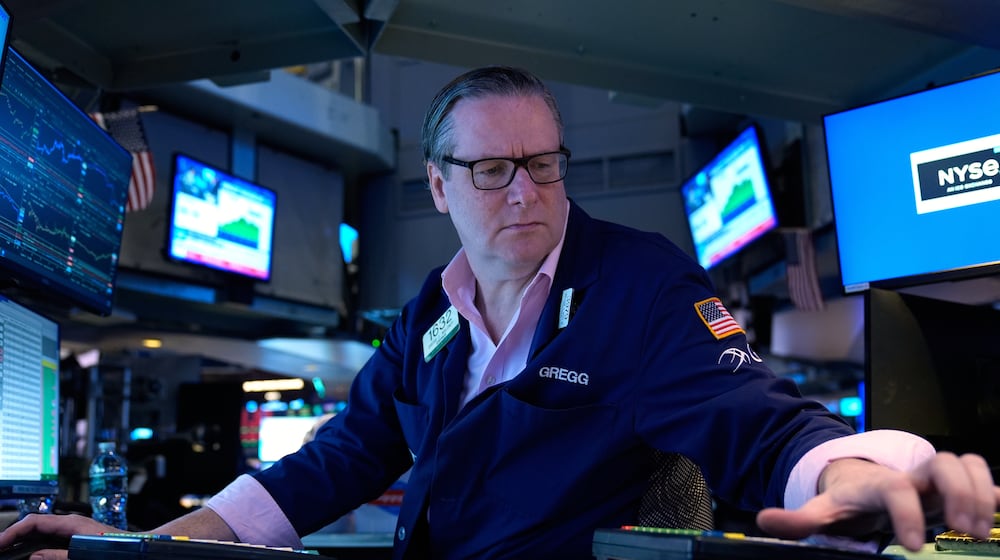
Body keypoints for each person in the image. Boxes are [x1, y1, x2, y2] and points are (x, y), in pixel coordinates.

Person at [3, 66, 998, 560]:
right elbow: (329, 465)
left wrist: (859, 460)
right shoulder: (427, 316)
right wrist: (144, 551)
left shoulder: (638, 282)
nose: (522, 191)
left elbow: (750, 414)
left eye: (541, 164)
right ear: (438, 187)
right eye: (489, 169)